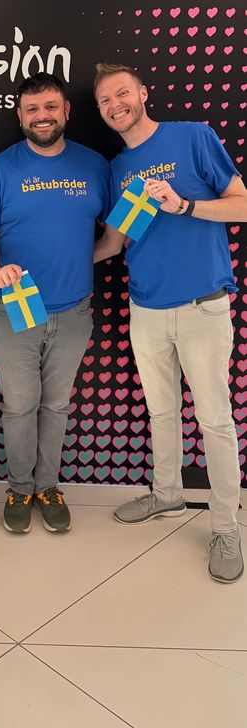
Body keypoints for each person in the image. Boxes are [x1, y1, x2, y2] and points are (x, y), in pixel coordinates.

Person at [93, 61, 247, 583]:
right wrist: (52, 270)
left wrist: (183, 205)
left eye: (122, 94)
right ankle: (167, 494)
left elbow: (241, 206)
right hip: (146, 308)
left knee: (215, 420)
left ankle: (225, 526)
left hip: (203, 304)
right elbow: (114, 243)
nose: (115, 105)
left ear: (143, 93)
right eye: (105, 101)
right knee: (161, 411)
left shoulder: (194, 136)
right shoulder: (117, 168)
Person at [0, 73, 110, 534]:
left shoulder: (94, 165)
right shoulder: (0, 170)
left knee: (56, 407)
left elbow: (114, 236)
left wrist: (80, 259)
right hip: (17, 308)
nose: (42, 116)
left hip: (74, 311)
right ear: (20, 116)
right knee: (19, 407)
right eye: (32, 109)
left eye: (50, 107)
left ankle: (48, 487)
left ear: (66, 110)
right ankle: (19, 487)